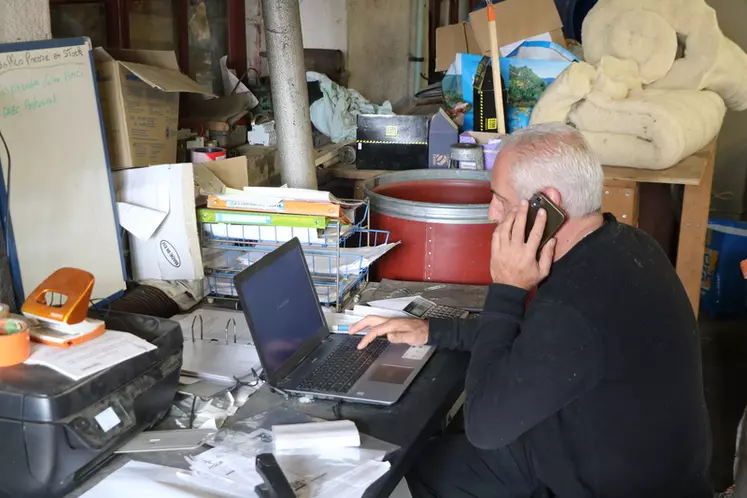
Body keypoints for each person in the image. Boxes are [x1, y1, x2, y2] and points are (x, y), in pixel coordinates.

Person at [350, 123, 712, 498]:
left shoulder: (573, 306)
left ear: (546, 205)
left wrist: (506, 289)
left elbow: (485, 426)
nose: (492, 214)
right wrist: (432, 331)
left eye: (501, 200)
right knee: (436, 457)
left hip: (607, 485)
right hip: (614, 456)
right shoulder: (630, 246)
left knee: (417, 470)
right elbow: (540, 341)